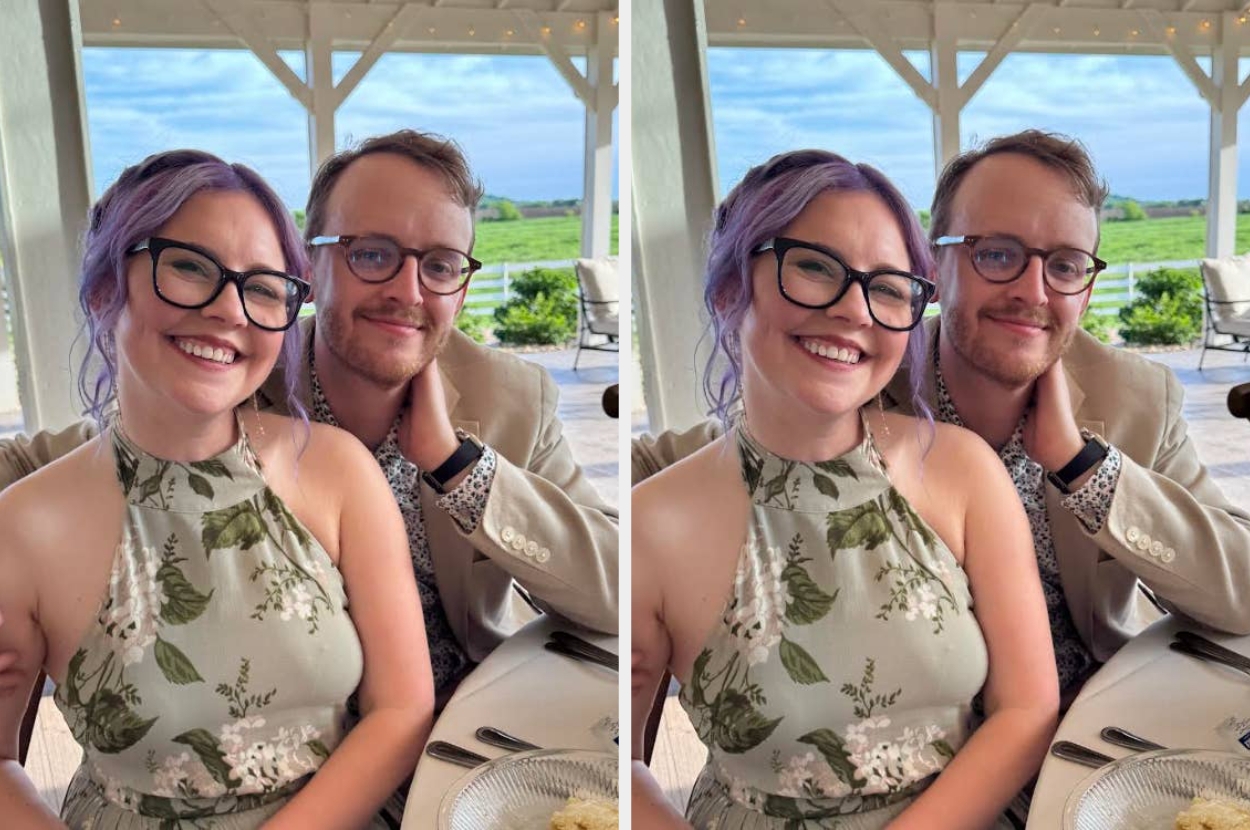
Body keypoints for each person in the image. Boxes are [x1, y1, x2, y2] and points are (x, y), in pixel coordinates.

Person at [634, 130, 1250, 703]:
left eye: (1064, 266)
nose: (1033, 292)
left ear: (1085, 288)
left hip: (1097, 730)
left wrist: (1085, 468)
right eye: (998, 254)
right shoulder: (859, 375)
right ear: (934, 266)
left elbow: (1241, 589)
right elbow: (688, 461)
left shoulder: (1136, 398)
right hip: (920, 743)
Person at [0, 129, 619, 699]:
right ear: (308, 267)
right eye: (372, 254)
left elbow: (617, 589)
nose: (408, 292)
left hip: (472, 735)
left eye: (439, 266)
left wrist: (458, 468)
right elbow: (73, 458)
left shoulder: (508, 396)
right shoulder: (231, 372)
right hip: (291, 739)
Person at [0, 150, 434, 828]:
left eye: (263, 287)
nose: (229, 309)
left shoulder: (338, 471)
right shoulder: (23, 529)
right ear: (104, 291)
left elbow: (402, 708)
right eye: (189, 267)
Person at [631, 150, 1058, 829]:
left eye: (888, 287)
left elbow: (1027, 708)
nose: (854, 310)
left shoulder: (963, 471)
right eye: (813, 267)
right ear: (728, 291)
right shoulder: (651, 525)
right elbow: (608, 758)